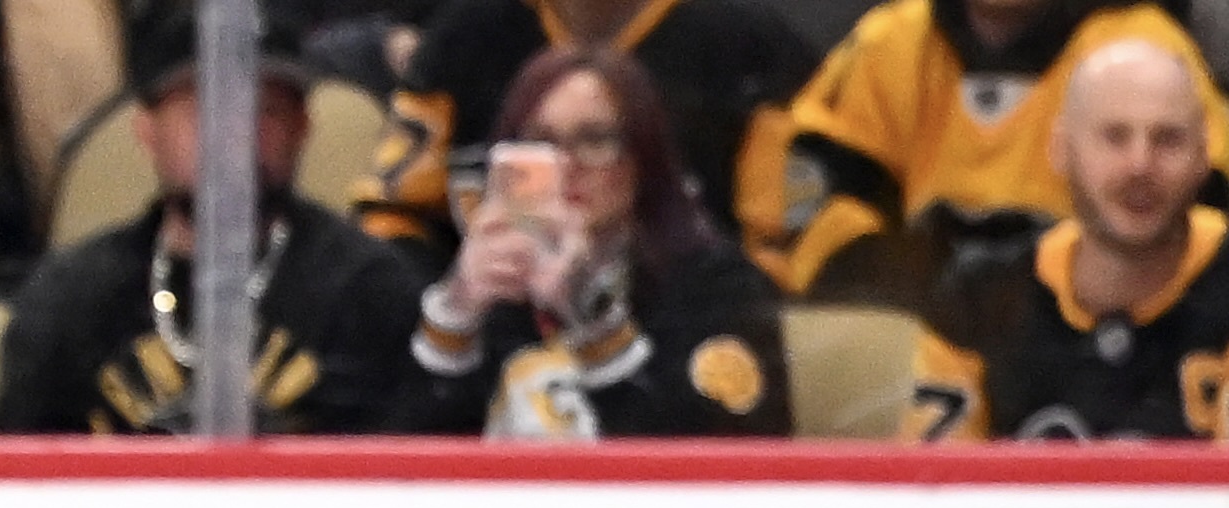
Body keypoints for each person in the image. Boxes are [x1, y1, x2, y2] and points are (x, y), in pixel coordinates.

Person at [0, 0, 433, 434]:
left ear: (302, 128)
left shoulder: (367, 291)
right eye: (203, 108)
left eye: (265, 109)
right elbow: (13, 487)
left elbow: (396, 484)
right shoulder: (72, 300)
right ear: (147, 129)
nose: (235, 133)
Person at [392, 45, 792, 435]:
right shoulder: (493, 287)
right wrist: (456, 318)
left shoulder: (718, 288)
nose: (566, 163)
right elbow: (397, 471)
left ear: (642, 158)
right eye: (541, 142)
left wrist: (593, 320)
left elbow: (711, 464)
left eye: (595, 140)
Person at [771, 0, 1223, 300]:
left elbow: (1209, 225)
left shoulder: (1146, 52)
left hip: (1103, 334)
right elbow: (813, 217)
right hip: (912, 330)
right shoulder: (890, 42)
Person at [907, 36, 1229, 435]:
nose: (1140, 164)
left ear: (1203, 157)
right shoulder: (977, 300)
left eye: (1168, 140)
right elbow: (936, 486)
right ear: (1060, 149)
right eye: (1114, 137)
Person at [349, 0, 819, 273]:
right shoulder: (467, 37)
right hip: (493, 345)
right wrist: (452, 313)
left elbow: (787, 260)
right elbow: (389, 221)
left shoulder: (754, 54)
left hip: (682, 349)